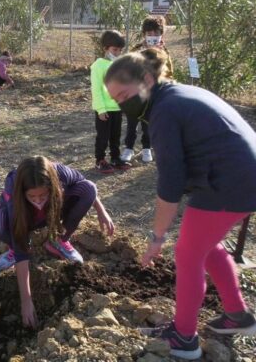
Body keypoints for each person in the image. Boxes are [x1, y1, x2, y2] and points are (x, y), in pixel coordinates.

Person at [104, 51, 256, 360]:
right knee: (206, 246)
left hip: (230, 182)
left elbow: (170, 183)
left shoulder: (164, 110)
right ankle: (237, 315)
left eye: (124, 95)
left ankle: (184, 337)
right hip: (241, 175)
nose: (122, 104)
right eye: (115, 99)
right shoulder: (176, 93)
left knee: (186, 253)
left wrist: (156, 239)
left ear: (147, 80)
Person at [0, 156, 115, 327]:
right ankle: (12, 249)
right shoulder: (13, 186)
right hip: (25, 217)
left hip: (52, 213)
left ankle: (58, 240)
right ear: (23, 192)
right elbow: (21, 248)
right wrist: (26, 301)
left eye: (43, 194)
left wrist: (101, 211)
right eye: (32, 196)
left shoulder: (59, 172)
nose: (39, 200)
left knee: (88, 189)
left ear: (52, 185)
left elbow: (87, 185)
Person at [121, 16, 174, 164]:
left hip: (153, 95)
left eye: (156, 34)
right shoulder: (137, 49)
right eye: (149, 34)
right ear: (144, 34)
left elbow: (169, 72)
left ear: (161, 35)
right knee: (132, 123)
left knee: (148, 123)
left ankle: (146, 148)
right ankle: (129, 148)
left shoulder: (165, 52)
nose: (152, 37)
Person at [91, 30, 130, 173]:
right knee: (103, 136)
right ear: (105, 48)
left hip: (117, 108)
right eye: (114, 49)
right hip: (104, 109)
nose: (117, 53)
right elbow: (96, 89)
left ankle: (115, 157)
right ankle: (100, 160)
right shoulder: (98, 65)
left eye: (120, 50)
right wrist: (101, 109)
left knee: (116, 135)